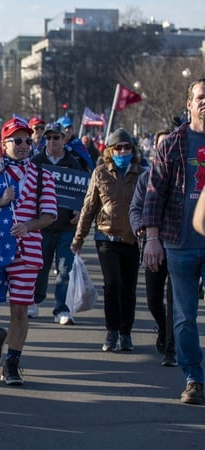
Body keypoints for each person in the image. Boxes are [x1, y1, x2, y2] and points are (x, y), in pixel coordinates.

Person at [0, 118, 57, 386]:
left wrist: (29, 225)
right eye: (17, 140)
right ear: (4, 143)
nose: (23, 145)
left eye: (27, 140)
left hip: (27, 250)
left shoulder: (43, 175)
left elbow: (49, 215)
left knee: (20, 310)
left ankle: (12, 363)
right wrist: (0, 202)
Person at [146, 78, 205, 405]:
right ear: (189, 104)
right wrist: (152, 238)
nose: (204, 103)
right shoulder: (171, 144)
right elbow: (154, 194)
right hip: (179, 243)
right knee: (183, 317)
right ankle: (193, 377)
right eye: (199, 98)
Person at [71, 128, 142, 353]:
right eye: (118, 147)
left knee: (128, 289)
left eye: (127, 147)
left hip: (132, 239)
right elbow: (88, 207)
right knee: (113, 285)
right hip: (106, 238)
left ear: (133, 150)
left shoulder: (141, 174)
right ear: (110, 151)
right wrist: (79, 239)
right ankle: (111, 331)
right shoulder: (100, 173)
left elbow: (149, 207)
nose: (123, 151)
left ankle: (126, 333)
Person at [130, 129, 175, 367]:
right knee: (153, 300)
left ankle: (171, 347)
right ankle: (163, 328)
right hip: (153, 245)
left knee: (175, 299)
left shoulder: (182, 177)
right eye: (161, 146)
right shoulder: (145, 179)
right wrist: (141, 228)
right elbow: (136, 209)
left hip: (178, 245)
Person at [30, 122, 83, 324]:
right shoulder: (36, 161)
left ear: (64, 139)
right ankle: (34, 302)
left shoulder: (73, 163)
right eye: (49, 137)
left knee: (64, 270)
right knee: (39, 267)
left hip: (66, 226)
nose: (52, 141)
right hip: (41, 226)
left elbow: (82, 192)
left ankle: (62, 309)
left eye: (56, 138)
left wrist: (80, 210)